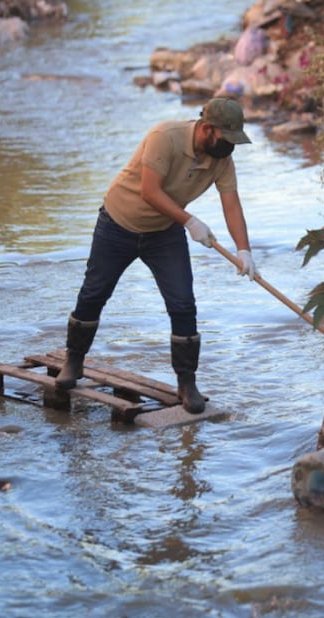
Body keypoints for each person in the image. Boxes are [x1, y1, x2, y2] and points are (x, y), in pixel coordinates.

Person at [55, 97, 258, 414]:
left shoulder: (222, 160)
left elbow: (231, 203)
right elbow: (150, 192)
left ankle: (187, 383)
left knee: (183, 303)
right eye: (227, 138)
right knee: (94, 293)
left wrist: (244, 249)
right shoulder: (165, 137)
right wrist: (190, 221)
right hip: (117, 224)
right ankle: (74, 360)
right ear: (207, 129)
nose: (231, 146)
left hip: (164, 232)